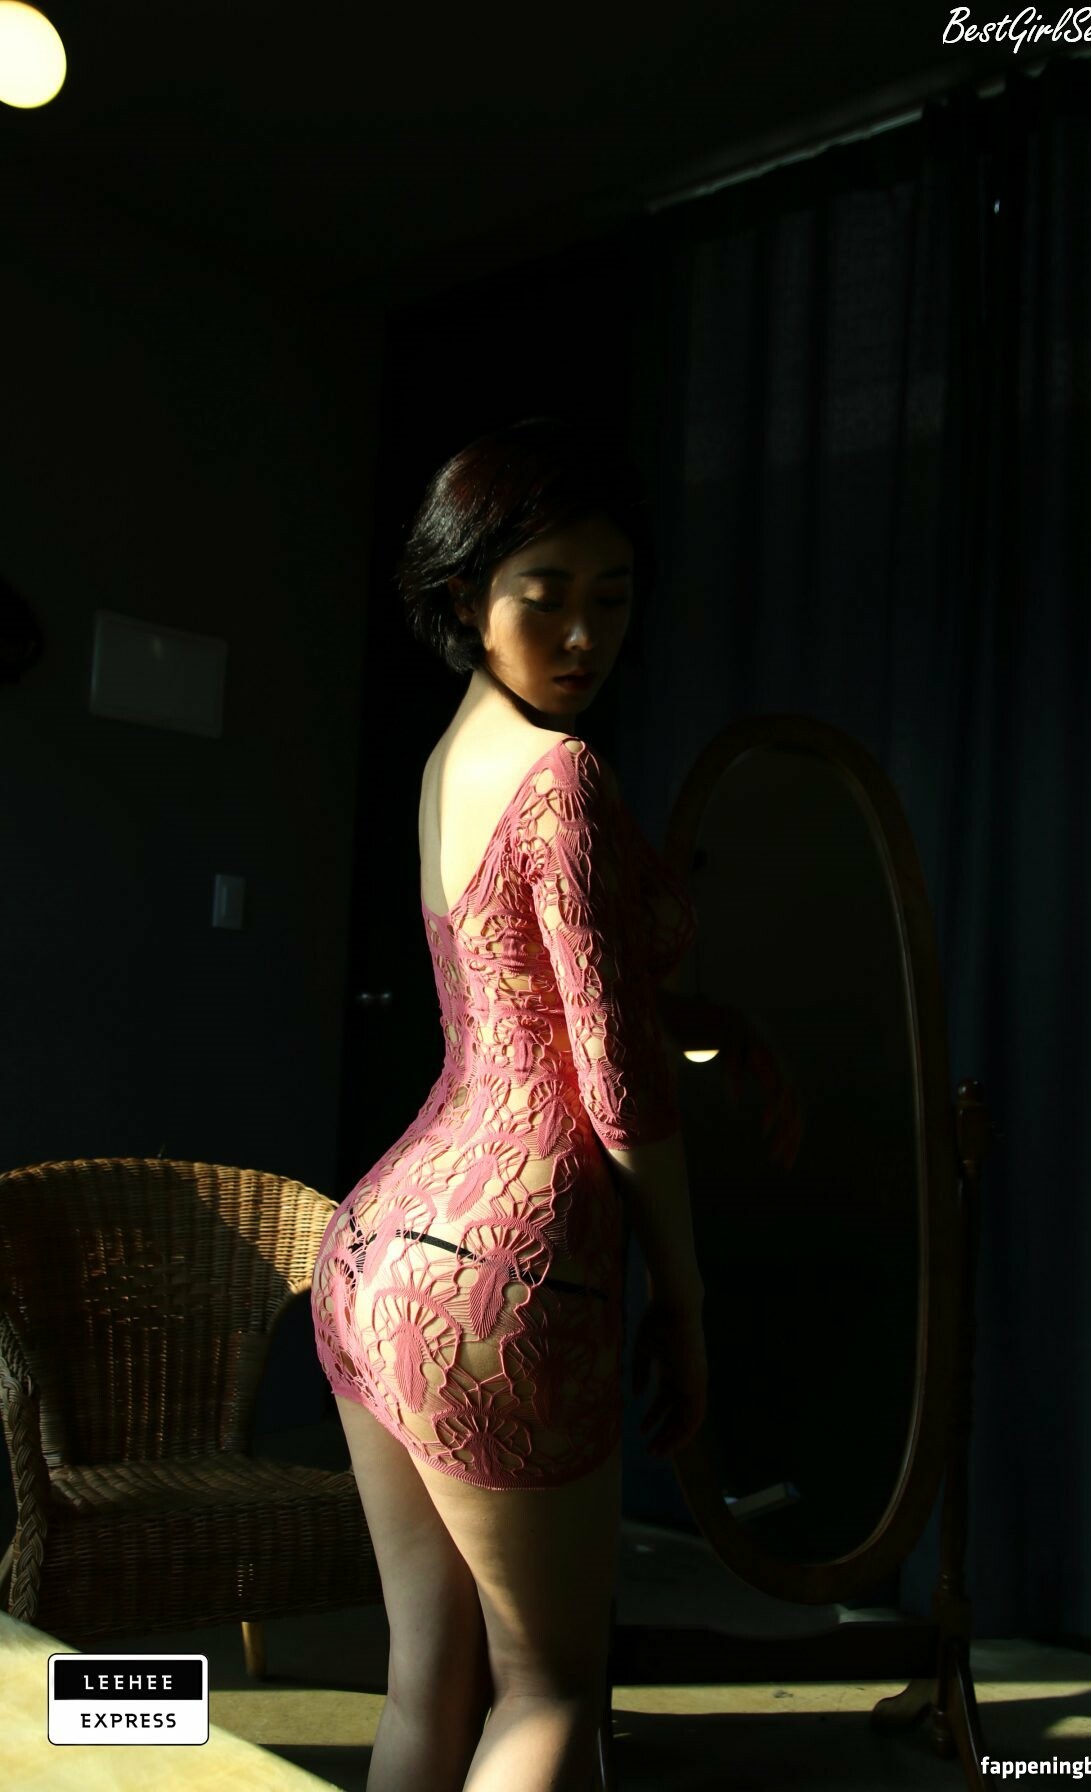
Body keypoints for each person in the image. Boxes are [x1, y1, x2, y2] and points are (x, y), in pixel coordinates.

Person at [310, 415, 708, 1792]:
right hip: (507, 1271)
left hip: (374, 1248)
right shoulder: (563, 777)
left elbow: (531, 995)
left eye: (615, 599)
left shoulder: (446, 766)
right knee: (549, 1691)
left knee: (426, 1679)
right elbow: (615, 1078)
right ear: (465, 594)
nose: (586, 635)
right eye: (547, 596)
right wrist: (685, 1296)